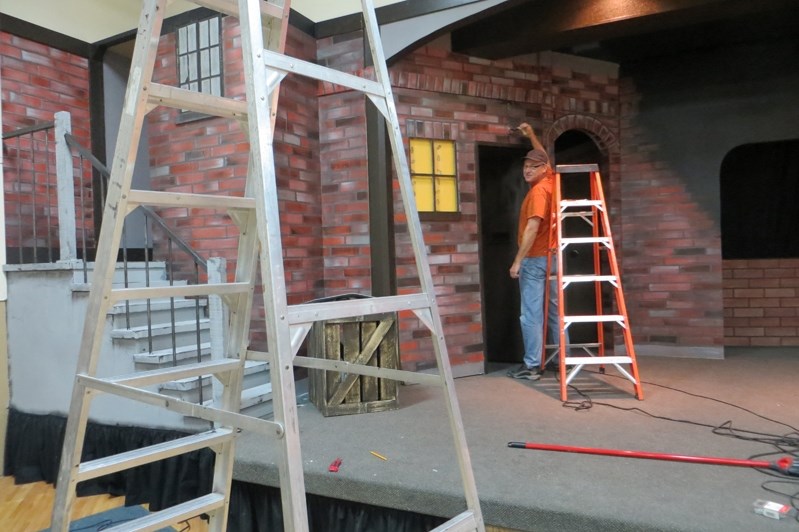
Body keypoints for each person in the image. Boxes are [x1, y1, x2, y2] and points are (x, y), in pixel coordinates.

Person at [507, 123, 566, 380]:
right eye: (525, 166)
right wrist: (531, 135)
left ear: (543, 170)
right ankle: (563, 361)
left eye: (533, 167)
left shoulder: (539, 193)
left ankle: (532, 365)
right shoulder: (552, 181)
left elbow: (532, 227)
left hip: (536, 259)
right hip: (554, 257)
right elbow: (542, 153)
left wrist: (517, 261)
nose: (527, 171)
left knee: (531, 314)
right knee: (556, 311)